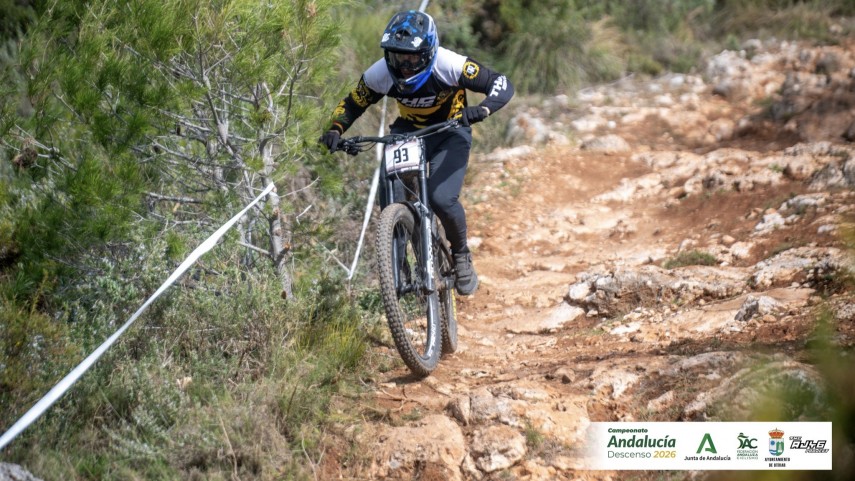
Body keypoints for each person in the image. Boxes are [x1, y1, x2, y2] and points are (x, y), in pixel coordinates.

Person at [320, 10, 514, 296]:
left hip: (450, 130)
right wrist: (335, 129)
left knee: (441, 198)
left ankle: (461, 255)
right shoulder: (380, 73)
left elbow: (500, 83)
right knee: (392, 195)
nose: (405, 66)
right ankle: (396, 266)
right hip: (408, 131)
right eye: (397, 57)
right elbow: (352, 103)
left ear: (429, 52)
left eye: (412, 58)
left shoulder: (449, 64)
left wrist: (483, 108)